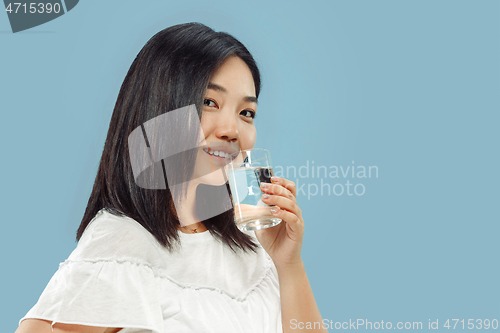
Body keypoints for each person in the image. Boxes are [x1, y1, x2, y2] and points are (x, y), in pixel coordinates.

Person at [16, 22, 327, 333]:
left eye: (246, 112)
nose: (232, 130)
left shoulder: (248, 244)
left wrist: (289, 266)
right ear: (159, 112)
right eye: (209, 103)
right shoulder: (123, 242)